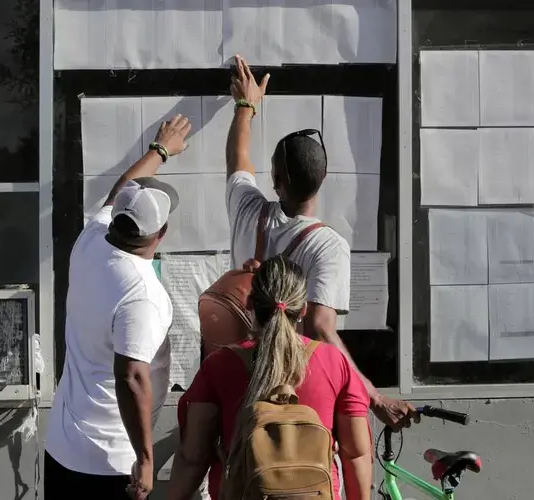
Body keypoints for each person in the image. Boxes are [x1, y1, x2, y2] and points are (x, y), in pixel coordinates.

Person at [224, 54, 418, 430]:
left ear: (276, 180)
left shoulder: (247, 211)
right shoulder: (328, 246)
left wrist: (245, 106)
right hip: (295, 387)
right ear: (324, 178)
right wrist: (373, 397)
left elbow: (237, 160)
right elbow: (321, 329)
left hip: (241, 372)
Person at [44, 114, 192, 500]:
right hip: (108, 465)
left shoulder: (91, 239)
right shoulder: (142, 293)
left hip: (62, 447)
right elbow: (131, 376)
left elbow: (120, 191)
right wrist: (145, 458)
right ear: (160, 234)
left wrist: (160, 150)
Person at [168, 256, 374, 500]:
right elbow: (356, 454)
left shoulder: (220, 365)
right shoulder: (334, 362)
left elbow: (193, 458)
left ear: (250, 304)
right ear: (304, 309)